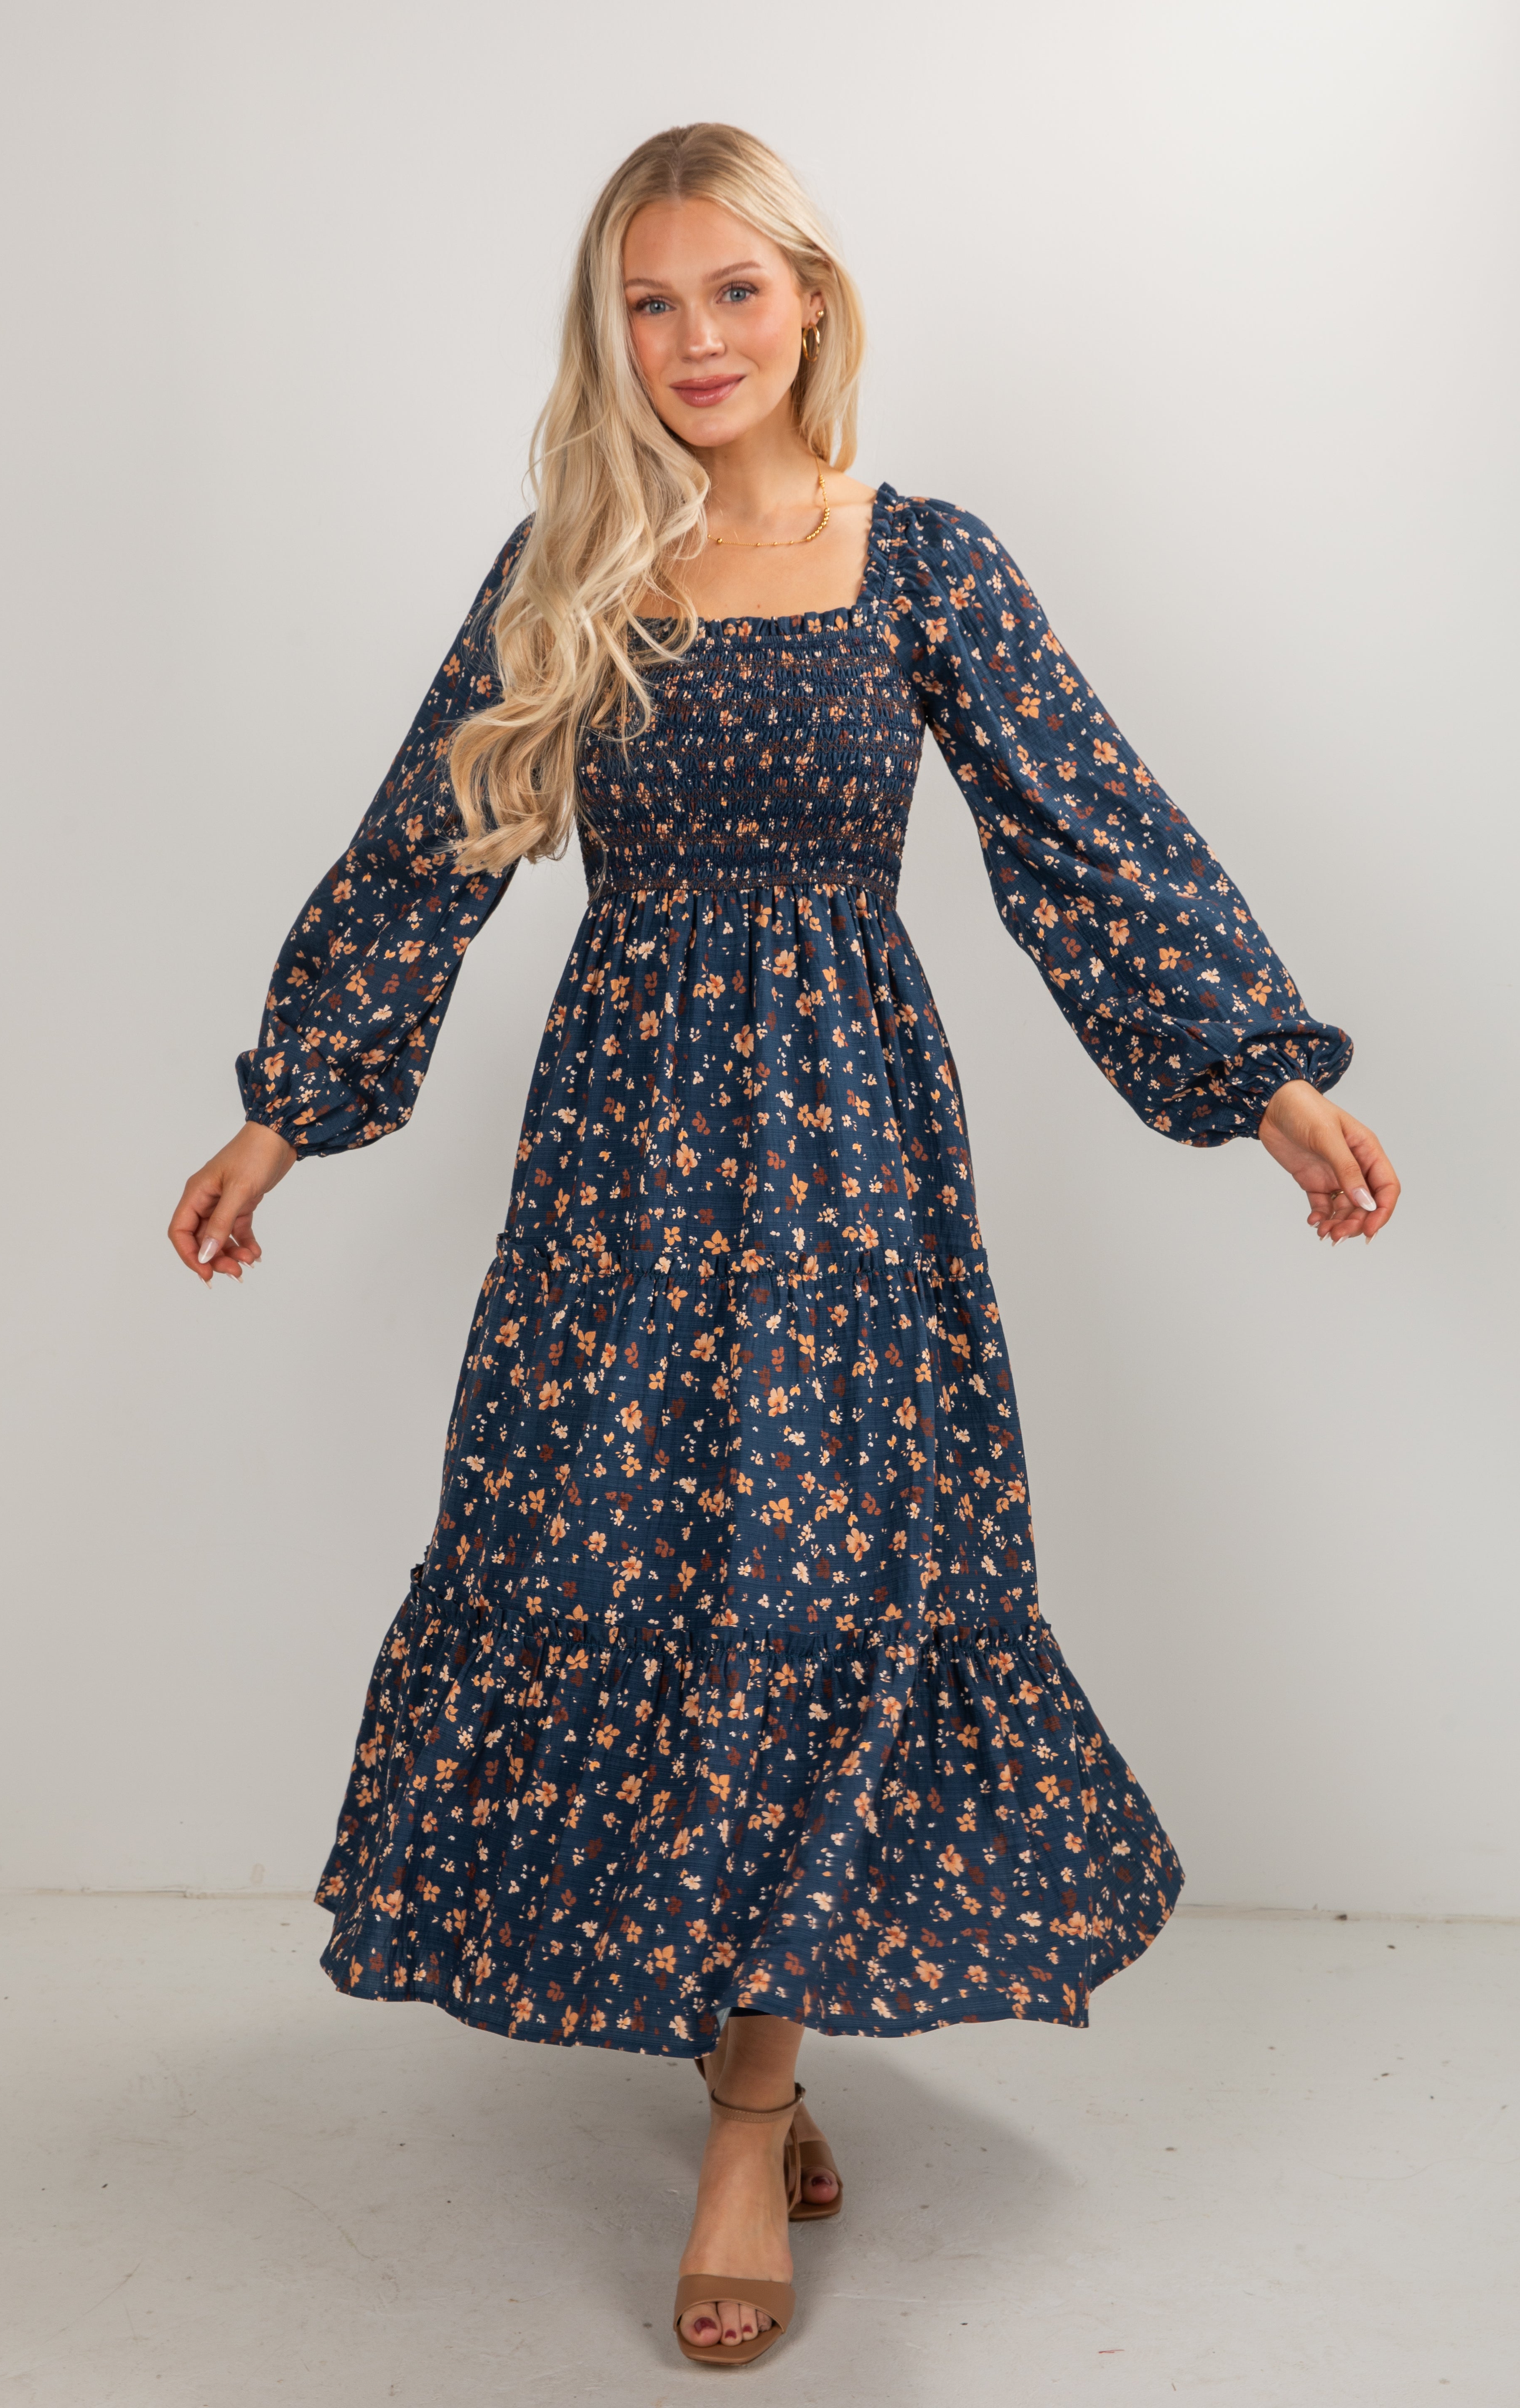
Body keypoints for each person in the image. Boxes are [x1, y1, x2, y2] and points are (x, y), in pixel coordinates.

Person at [168, 121, 1399, 2368]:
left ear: (811, 300)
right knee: (640, 1574)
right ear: (611, 333)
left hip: (847, 1161)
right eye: (650, 303)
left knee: (817, 1589)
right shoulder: (571, 566)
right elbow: (430, 845)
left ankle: (746, 2117)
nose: (696, 339)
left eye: (733, 290)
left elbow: (1090, 835)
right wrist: (288, 1110)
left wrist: (1266, 1080)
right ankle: (762, 2035)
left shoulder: (921, 559)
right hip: (620, 1169)